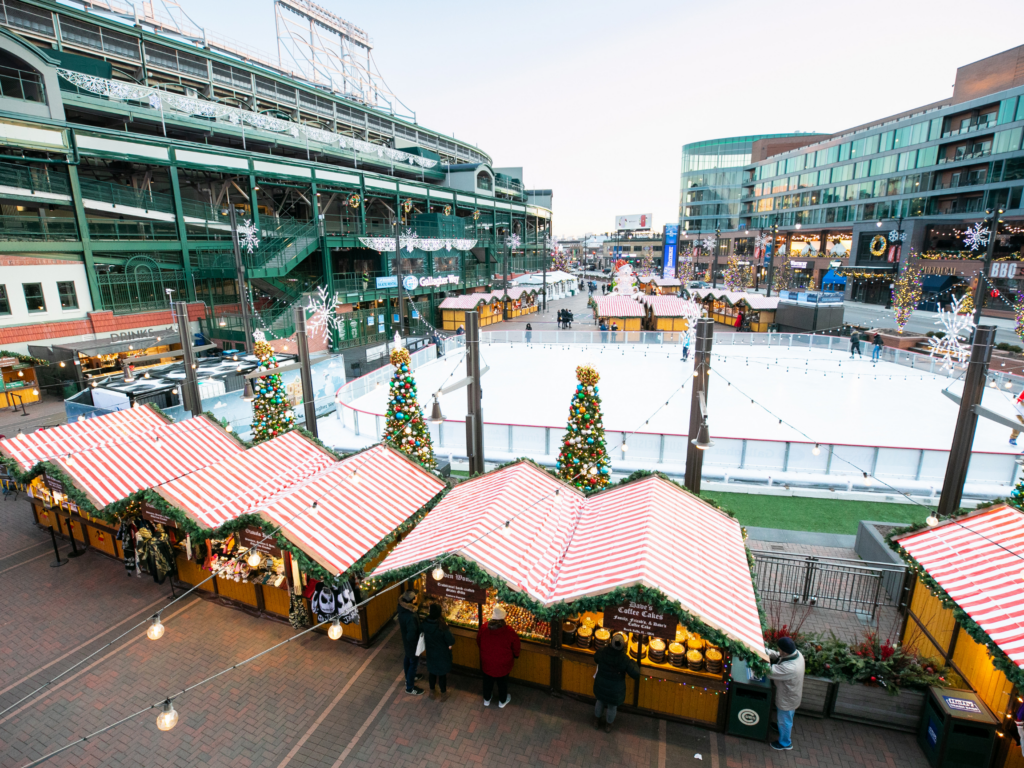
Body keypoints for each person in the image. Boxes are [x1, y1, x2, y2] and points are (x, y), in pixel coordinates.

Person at [592, 633, 640, 733]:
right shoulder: (624, 659)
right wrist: (633, 662)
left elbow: (596, 657)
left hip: (601, 685)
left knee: (600, 701)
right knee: (612, 706)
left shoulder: (603, 652)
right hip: (615, 690)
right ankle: (608, 725)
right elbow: (635, 673)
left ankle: (596, 721)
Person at [476, 605, 519, 708]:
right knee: (502, 683)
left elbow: (478, 641)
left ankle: (486, 699)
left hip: (487, 662)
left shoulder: (484, 628)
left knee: (487, 681)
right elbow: (516, 645)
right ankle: (502, 701)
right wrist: (516, 655)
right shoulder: (509, 631)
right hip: (503, 664)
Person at [768, 636, 805, 751]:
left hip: (787, 698)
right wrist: (766, 652)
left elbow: (769, 672)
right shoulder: (795, 653)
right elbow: (779, 656)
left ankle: (785, 743)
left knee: (785, 720)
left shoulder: (791, 668)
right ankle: (780, 728)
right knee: (785, 718)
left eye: (779, 649)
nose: (778, 651)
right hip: (791, 694)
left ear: (784, 650)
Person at [422, 602, 455, 701]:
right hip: (442, 654)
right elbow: (451, 640)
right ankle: (443, 694)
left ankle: (432, 692)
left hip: (431, 653)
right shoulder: (442, 626)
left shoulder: (425, 623)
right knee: (442, 675)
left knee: (432, 673)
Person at [398, 590, 424, 695]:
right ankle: (410, 687)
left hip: (406, 642)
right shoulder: (411, 616)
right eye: (416, 597)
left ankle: (409, 677)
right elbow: (412, 634)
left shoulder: (401, 608)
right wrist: (416, 645)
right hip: (412, 644)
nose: (417, 598)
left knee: (407, 658)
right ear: (412, 600)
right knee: (413, 663)